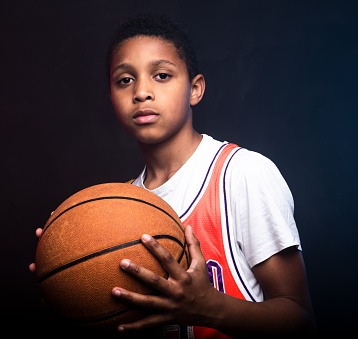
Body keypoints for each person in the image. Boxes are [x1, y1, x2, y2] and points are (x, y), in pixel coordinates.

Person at [30, 13, 315, 338]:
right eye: (125, 80)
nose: (141, 92)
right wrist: (66, 277)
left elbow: (301, 321)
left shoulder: (241, 174)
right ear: (112, 98)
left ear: (195, 89)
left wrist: (209, 308)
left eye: (161, 75)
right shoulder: (115, 209)